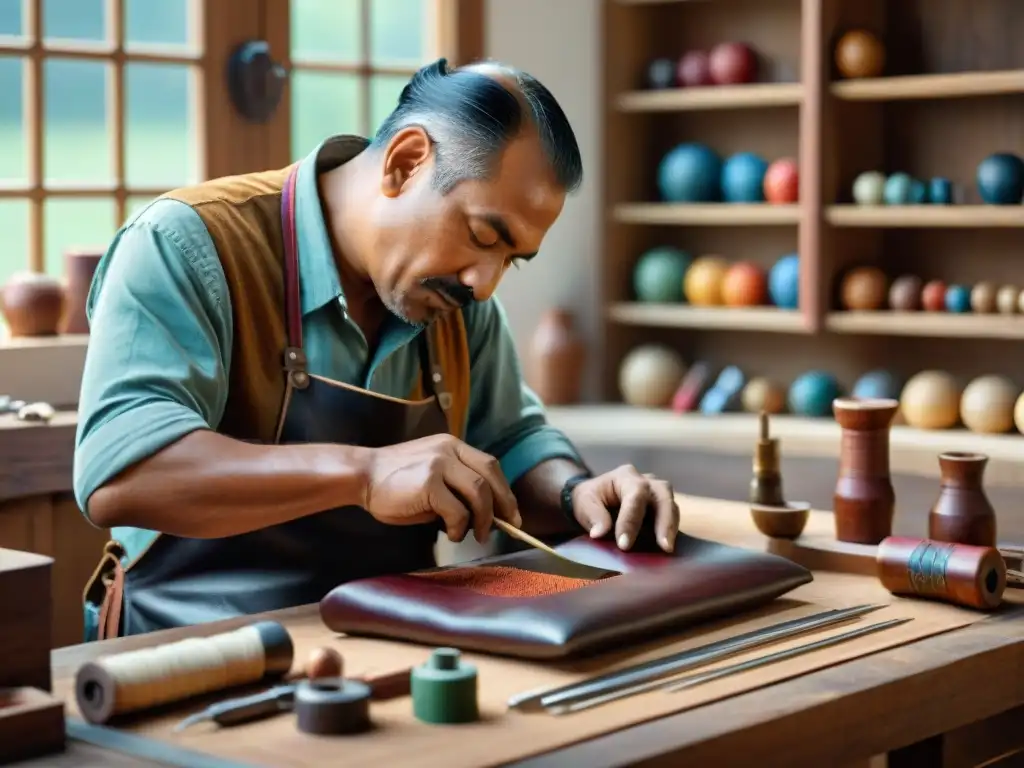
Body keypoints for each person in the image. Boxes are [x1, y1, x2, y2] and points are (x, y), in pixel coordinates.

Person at [75, 58, 680, 640]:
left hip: (395, 639)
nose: (485, 284)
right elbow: (123, 473)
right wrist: (364, 474)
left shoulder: (457, 303)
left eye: (511, 259)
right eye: (482, 235)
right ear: (406, 162)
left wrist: (577, 493)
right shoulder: (185, 245)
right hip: (196, 653)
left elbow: (512, 443)